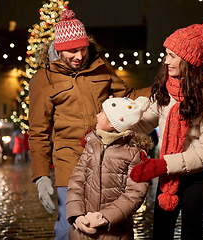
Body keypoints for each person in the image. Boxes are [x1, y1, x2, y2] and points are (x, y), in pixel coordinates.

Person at [28, 9, 150, 240]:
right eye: (72, 50)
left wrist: (160, 90)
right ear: (59, 49)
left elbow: (127, 97)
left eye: (82, 48)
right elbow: (38, 132)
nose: (78, 55)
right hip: (69, 160)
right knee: (69, 228)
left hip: (105, 158)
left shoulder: (100, 66)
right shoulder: (43, 80)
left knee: (106, 227)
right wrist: (41, 176)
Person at [129, 19, 203, 239]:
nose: (165, 61)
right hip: (168, 175)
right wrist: (120, 120)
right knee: (161, 234)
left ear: (188, 59)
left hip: (198, 179)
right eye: (166, 54)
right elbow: (146, 123)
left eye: (172, 55)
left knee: (190, 236)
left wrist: (162, 165)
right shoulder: (168, 87)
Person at [66, 96, 152, 239]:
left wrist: (104, 217)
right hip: (82, 230)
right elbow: (76, 182)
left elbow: (135, 194)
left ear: (114, 123)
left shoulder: (135, 153)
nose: (97, 115)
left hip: (115, 233)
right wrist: (77, 216)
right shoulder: (91, 144)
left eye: (102, 112)